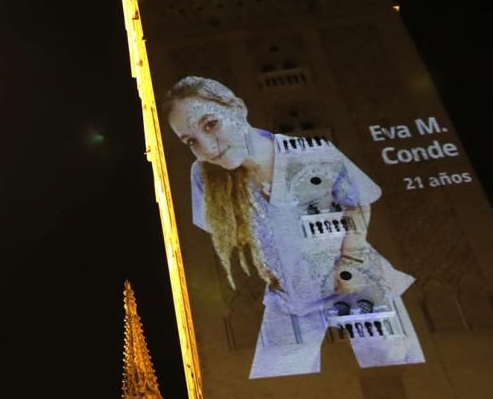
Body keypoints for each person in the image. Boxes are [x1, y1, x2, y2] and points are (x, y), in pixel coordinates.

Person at [162, 76, 424, 378]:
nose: (207, 146)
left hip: (356, 284)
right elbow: (226, 231)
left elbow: (358, 201)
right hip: (289, 297)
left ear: (238, 108)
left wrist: (349, 262)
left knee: (397, 375)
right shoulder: (203, 175)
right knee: (274, 378)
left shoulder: (312, 151)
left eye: (210, 124)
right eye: (191, 141)